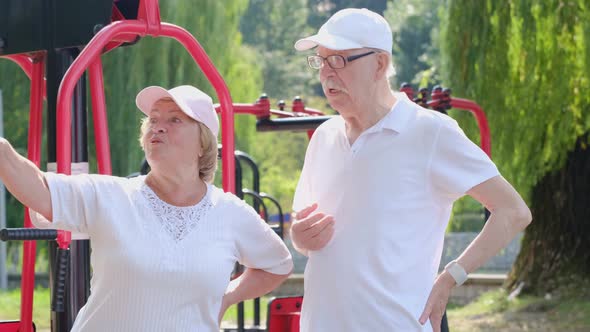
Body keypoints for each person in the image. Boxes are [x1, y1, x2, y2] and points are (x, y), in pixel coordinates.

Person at [290, 8, 532, 332]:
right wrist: (299, 236)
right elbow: (305, 236)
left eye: (340, 60)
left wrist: (451, 277)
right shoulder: (323, 137)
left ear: (380, 64)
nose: (326, 74)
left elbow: (513, 211)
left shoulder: (429, 132)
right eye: (321, 60)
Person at [0, 85, 293, 331]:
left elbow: (278, 265)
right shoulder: (112, 196)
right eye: (153, 120)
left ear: (204, 142)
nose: (158, 126)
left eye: (175, 120)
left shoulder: (230, 212)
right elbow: (38, 188)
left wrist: (227, 296)